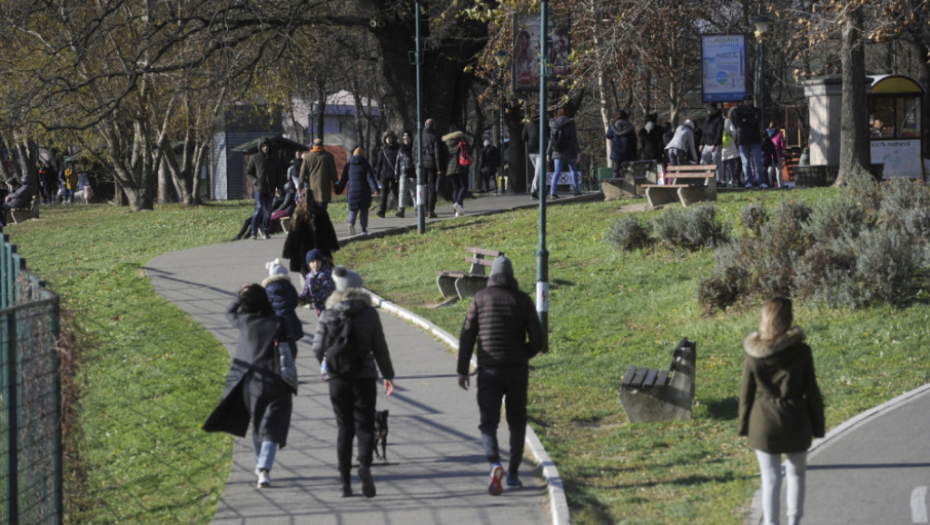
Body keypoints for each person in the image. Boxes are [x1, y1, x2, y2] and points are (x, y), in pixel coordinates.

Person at [457, 256, 544, 495]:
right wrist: (523, 354)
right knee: (517, 421)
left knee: (488, 423)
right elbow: (538, 339)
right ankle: (513, 475)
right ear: (511, 276)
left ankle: (495, 463)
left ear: (492, 276)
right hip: (516, 371)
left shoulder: (479, 299)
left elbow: (467, 336)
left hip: (489, 370)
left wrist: (463, 370)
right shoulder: (523, 300)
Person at [739, 296, 824, 525]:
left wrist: (744, 427)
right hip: (796, 419)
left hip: (763, 423)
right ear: (788, 320)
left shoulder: (753, 354)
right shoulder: (801, 352)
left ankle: (771, 522)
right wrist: (818, 425)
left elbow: (746, 395)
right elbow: (812, 391)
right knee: (797, 474)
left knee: (770, 479)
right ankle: (794, 520)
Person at [312, 266, 396, 498]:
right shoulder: (369, 313)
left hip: (337, 377)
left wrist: (326, 366)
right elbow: (380, 347)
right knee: (364, 426)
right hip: (364, 376)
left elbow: (317, 347)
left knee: (344, 428)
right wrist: (388, 375)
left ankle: (345, 483)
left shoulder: (328, 313)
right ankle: (364, 466)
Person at [203, 284, 295, 489]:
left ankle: (260, 468)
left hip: (250, 382)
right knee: (271, 426)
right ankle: (264, 468)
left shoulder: (244, 322)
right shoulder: (279, 322)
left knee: (258, 424)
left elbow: (229, 311)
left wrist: (240, 295)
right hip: (277, 381)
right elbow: (292, 349)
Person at [282, 194, 340, 278]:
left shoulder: (298, 214)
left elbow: (292, 236)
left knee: (307, 276)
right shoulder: (321, 212)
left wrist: (288, 251)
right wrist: (333, 245)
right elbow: (329, 231)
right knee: (322, 275)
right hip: (321, 250)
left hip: (302, 253)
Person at [246, 138, 283, 239]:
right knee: (259, 208)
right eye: (263, 146)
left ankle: (265, 231)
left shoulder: (273, 158)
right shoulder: (255, 158)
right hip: (259, 188)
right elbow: (249, 173)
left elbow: (278, 174)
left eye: (267, 146)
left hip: (270, 189)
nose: (265, 148)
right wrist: (256, 181)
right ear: (260, 147)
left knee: (268, 210)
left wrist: (278, 187)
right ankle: (253, 231)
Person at [334, 147, 374, 235]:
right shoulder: (366, 165)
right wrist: (375, 189)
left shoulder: (348, 165)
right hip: (364, 192)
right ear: (363, 155)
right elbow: (370, 178)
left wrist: (338, 190)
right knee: (364, 210)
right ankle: (363, 229)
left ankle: (351, 223)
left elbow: (343, 180)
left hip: (352, 192)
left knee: (353, 209)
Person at [546, 106, 581, 198]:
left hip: (557, 151)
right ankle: (576, 191)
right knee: (573, 170)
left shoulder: (553, 123)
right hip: (570, 151)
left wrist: (548, 152)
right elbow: (574, 138)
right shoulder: (570, 123)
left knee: (557, 172)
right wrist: (578, 152)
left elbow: (551, 139)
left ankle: (552, 192)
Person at [732, 94, 765, 188]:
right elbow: (738, 123)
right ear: (743, 101)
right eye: (746, 99)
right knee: (745, 163)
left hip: (755, 139)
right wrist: (751, 122)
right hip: (742, 140)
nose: (747, 101)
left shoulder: (756, 110)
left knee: (757, 162)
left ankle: (761, 182)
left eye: (749, 99)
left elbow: (757, 120)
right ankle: (748, 181)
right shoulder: (738, 111)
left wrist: (746, 121)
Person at [299, 138, 339, 210]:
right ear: (322, 145)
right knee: (322, 211)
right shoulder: (328, 156)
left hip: (311, 189)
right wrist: (336, 185)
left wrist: (300, 187)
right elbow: (333, 173)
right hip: (324, 189)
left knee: (312, 210)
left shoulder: (307, 157)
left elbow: (302, 174)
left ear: (313, 145)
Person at [416, 119, 443, 218]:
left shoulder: (418, 135)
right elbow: (437, 153)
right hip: (431, 165)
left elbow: (414, 151)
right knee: (431, 188)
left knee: (423, 188)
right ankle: (430, 210)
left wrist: (416, 165)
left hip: (421, 165)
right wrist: (439, 168)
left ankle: (424, 210)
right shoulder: (435, 136)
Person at [297, 248, 335, 316]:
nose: (315, 264)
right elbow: (305, 290)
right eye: (312, 261)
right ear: (308, 264)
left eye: (318, 261)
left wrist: (309, 299)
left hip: (328, 306)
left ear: (321, 261)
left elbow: (327, 293)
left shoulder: (325, 275)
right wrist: (300, 298)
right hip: (318, 307)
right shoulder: (309, 276)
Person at [442, 125, 470, 216]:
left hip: (449, 168)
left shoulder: (446, 142)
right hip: (460, 166)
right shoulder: (461, 140)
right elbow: (468, 150)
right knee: (464, 186)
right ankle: (458, 203)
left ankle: (457, 211)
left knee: (455, 188)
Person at [374, 131, 400, 219]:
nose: (388, 139)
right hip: (385, 174)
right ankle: (382, 211)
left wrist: (398, 173)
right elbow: (379, 164)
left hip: (394, 174)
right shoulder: (383, 150)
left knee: (396, 192)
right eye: (386, 138)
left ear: (393, 138)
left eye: (389, 137)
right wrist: (377, 177)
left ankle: (401, 209)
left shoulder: (397, 149)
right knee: (384, 193)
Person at [606, 109, 637, 177]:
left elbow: (608, 136)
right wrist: (634, 154)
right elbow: (634, 142)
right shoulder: (630, 127)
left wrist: (611, 125)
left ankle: (616, 181)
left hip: (616, 154)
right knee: (629, 173)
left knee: (616, 170)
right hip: (628, 154)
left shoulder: (614, 127)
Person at [700, 102, 725, 183]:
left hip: (716, 145)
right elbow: (704, 132)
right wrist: (701, 143)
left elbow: (719, 133)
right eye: (708, 109)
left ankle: (719, 180)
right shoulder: (707, 119)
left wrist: (715, 144)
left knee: (717, 163)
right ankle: (706, 178)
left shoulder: (719, 119)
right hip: (707, 144)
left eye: (711, 108)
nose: (709, 110)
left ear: (715, 109)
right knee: (703, 162)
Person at [393, 131, 416, 218]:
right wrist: (396, 174)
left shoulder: (414, 148)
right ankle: (401, 210)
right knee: (402, 192)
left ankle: (417, 209)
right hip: (403, 173)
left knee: (414, 192)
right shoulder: (400, 150)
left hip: (413, 173)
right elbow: (397, 162)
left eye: (407, 138)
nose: (406, 140)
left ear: (410, 139)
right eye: (404, 139)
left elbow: (417, 160)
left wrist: (415, 168)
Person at [523, 113, 545, 199]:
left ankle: (542, 188)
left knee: (538, 171)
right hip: (540, 150)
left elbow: (523, 137)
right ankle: (533, 191)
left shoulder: (528, 125)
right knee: (538, 172)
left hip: (531, 150)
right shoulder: (543, 124)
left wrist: (530, 139)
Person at [721, 108, 743, 187]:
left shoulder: (717, 121)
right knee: (732, 165)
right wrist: (732, 140)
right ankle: (734, 181)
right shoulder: (728, 121)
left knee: (722, 165)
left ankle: (722, 181)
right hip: (730, 145)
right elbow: (734, 131)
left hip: (721, 145)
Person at [766, 122, 787, 188]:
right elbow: (783, 145)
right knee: (778, 170)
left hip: (769, 153)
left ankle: (769, 183)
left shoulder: (767, 133)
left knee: (770, 169)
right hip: (778, 153)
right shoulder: (779, 134)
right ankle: (780, 184)